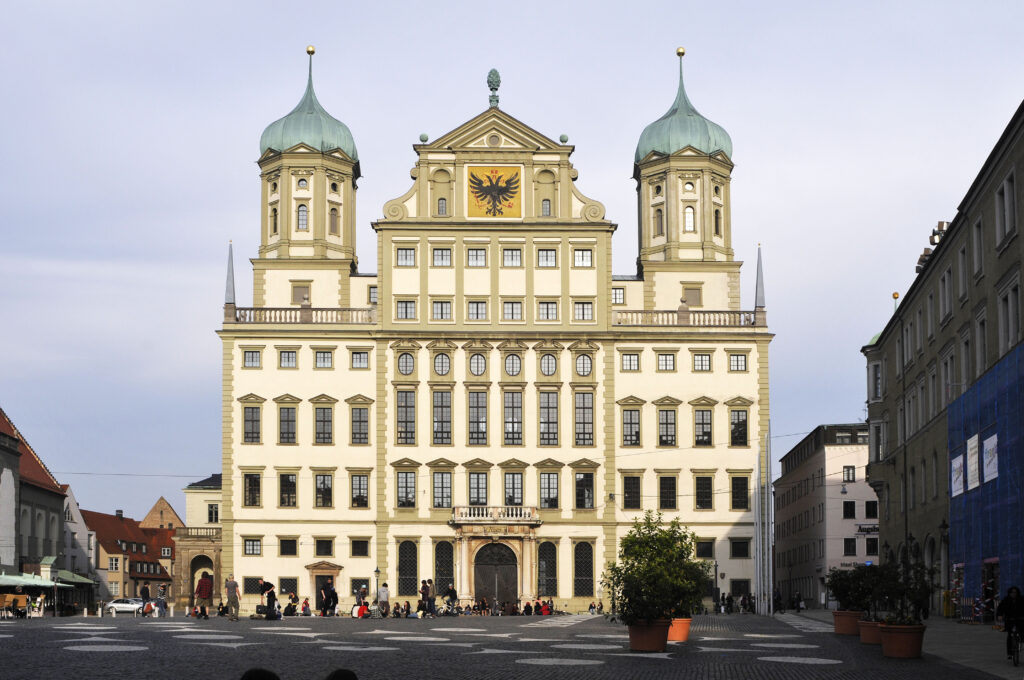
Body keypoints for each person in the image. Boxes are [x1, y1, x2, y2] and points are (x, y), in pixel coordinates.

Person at [997, 586, 1024, 659]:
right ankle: (1009, 653)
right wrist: (1000, 615)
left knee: (1022, 632)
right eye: (1012, 592)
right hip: (1010, 619)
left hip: (1020, 619)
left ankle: (1020, 642)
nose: (1013, 594)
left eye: (1015, 592)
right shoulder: (1006, 600)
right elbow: (1000, 608)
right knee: (1010, 635)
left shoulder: (1021, 599)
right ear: (1009, 593)